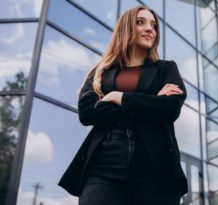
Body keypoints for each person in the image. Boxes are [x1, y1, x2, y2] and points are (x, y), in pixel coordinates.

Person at [58, 5, 188, 205]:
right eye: (140, 22)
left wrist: (119, 97)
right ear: (125, 28)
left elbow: (169, 108)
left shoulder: (166, 69)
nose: (150, 29)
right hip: (104, 163)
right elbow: (87, 113)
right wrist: (151, 102)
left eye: (153, 25)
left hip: (155, 165)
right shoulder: (101, 71)